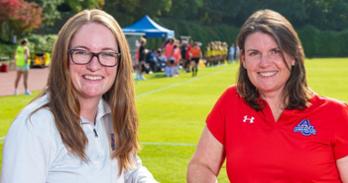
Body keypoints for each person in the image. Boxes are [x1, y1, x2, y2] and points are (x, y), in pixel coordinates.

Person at [187, 9, 348, 183]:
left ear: (293, 56)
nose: (264, 63)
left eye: (275, 51)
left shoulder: (336, 114)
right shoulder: (231, 100)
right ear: (243, 60)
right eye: (254, 53)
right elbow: (202, 165)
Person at [2, 9, 157, 183]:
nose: (94, 65)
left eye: (107, 54)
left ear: (120, 63)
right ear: (63, 58)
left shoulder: (112, 115)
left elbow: (130, 168)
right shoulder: (35, 126)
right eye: (82, 52)